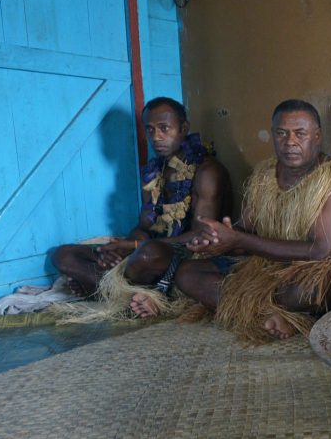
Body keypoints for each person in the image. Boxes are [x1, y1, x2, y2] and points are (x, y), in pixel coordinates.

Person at [174, 99, 331, 342]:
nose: (290, 142)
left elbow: (320, 249)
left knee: (310, 291)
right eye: (281, 134)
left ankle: (271, 312)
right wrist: (218, 239)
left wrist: (239, 238)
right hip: (263, 267)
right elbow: (245, 229)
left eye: (300, 134)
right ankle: (272, 315)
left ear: (317, 136)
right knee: (187, 274)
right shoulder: (264, 175)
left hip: (311, 270)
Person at [51, 97, 231, 318]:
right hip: (146, 250)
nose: (156, 137)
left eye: (164, 128)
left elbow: (201, 237)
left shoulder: (207, 172)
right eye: (150, 129)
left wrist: (135, 245)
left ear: (184, 128)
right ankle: (129, 296)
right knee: (63, 255)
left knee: (148, 254)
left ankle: (103, 289)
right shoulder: (154, 171)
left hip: (187, 258)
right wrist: (120, 250)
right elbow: (144, 226)